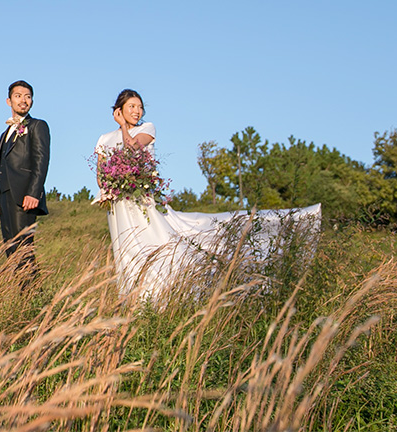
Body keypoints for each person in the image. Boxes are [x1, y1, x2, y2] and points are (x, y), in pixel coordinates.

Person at [95, 88, 321, 302]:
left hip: (142, 202)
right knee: (126, 250)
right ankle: (132, 299)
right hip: (118, 204)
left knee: (158, 243)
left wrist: (124, 126)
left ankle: (162, 294)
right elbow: (101, 173)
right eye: (132, 106)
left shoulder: (147, 129)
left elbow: (133, 147)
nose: (137, 111)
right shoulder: (104, 139)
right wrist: (108, 188)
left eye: (140, 107)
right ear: (120, 108)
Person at [0, 80, 50, 277]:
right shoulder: (4, 133)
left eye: (28, 96)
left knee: (24, 249)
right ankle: (23, 297)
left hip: (24, 197)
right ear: (9, 101)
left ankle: (34, 297)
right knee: (11, 251)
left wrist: (34, 193)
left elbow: (41, 160)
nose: (23, 100)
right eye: (18, 96)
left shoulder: (37, 126)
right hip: (4, 197)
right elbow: (0, 170)